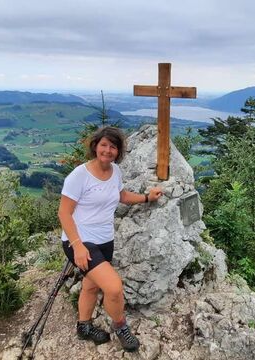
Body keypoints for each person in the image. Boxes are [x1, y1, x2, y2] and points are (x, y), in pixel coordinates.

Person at [58, 126, 162, 352]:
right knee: (114, 288)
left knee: (91, 285)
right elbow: (64, 213)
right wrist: (77, 247)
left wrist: (146, 197)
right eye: (103, 145)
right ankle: (120, 326)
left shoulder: (115, 171)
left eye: (113, 146)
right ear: (95, 146)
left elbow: (121, 196)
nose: (107, 150)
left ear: (118, 151)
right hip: (80, 242)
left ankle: (83, 327)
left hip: (105, 239)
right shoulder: (79, 176)